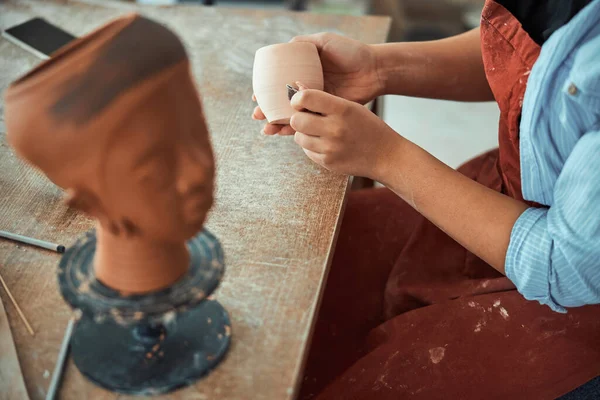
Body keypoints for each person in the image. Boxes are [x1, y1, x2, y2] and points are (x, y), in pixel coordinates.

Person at [252, 0, 600, 398]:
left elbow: (567, 266)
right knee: (302, 255)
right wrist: (378, 68)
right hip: (521, 188)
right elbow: (527, 55)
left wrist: (388, 158)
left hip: (573, 293)